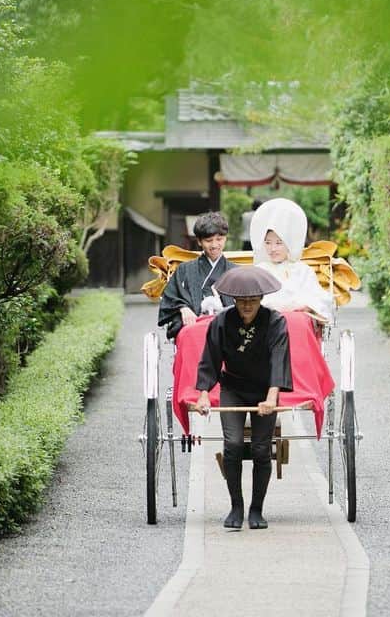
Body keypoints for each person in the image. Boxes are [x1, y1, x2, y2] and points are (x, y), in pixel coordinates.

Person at [193, 266, 291, 530]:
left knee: (261, 449)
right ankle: (236, 506)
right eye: (242, 300)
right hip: (233, 387)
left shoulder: (275, 322)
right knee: (233, 444)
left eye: (253, 300)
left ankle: (256, 509)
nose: (247, 305)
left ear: (262, 299)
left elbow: (279, 361)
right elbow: (210, 361)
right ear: (233, 300)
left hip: (265, 390)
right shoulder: (221, 322)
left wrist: (272, 398)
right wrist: (203, 395)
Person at [248, 198, 335, 320]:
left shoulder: (302, 270)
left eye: (279, 243)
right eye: (268, 243)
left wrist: (308, 306)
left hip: (298, 323)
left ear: (289, 243)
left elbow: (319, 298)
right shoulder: (258, 271)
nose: (272, 249)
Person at [157, 212, 235, 339]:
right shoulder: (185, 270)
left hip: (227, 329)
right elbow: (170, 298)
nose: (214, 245)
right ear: (199, 241)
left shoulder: (235, 271)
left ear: (225, 238)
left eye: (219, 239)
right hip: (194, 327)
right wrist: (183, 309)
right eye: (209, 240)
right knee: (188, 334)